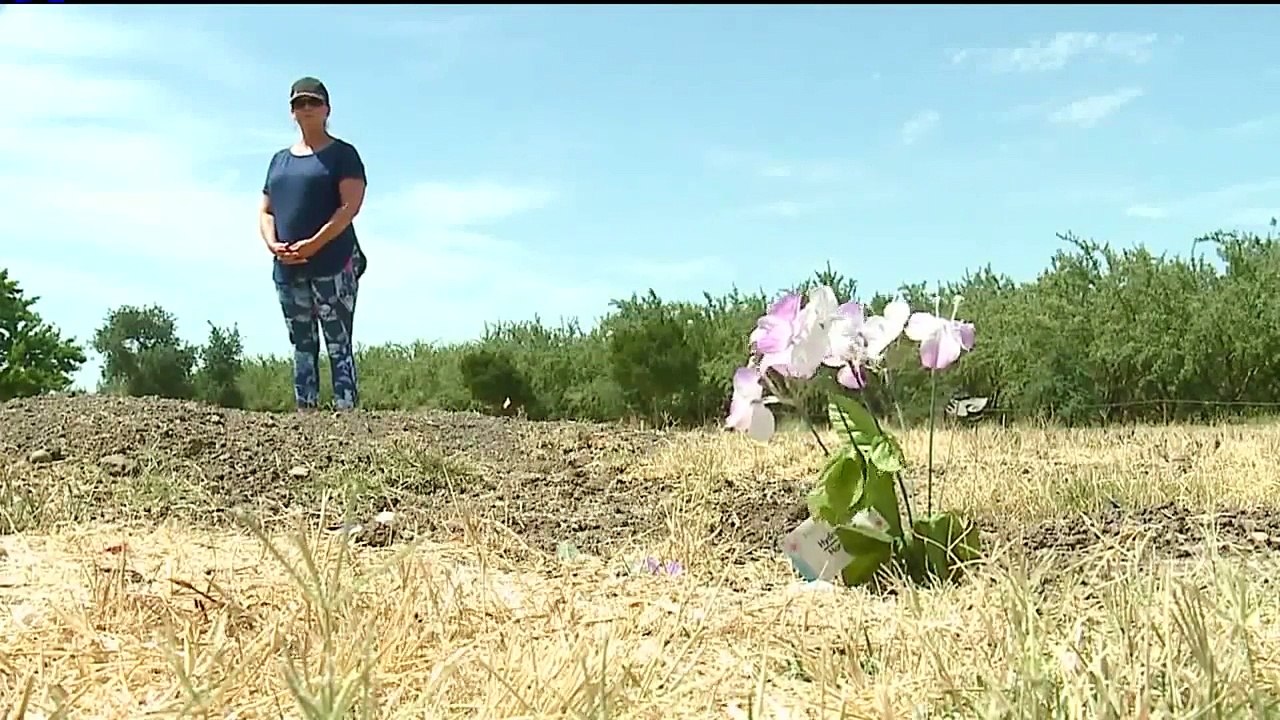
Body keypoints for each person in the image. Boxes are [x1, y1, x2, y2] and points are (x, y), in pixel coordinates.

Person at [259, 76, 369, 411]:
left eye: (312, 102)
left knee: (338, 342)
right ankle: (306, 416)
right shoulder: (279, 160)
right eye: (298, 104)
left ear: (326, 109)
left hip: (333, 263)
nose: (305, 109)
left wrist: (314, 243)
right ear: (291, 112)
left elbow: (350, 206)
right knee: (302, 344)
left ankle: (346, 414)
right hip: (289, 268)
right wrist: (273, 243)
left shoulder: (342, 155)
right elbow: (266, 209)